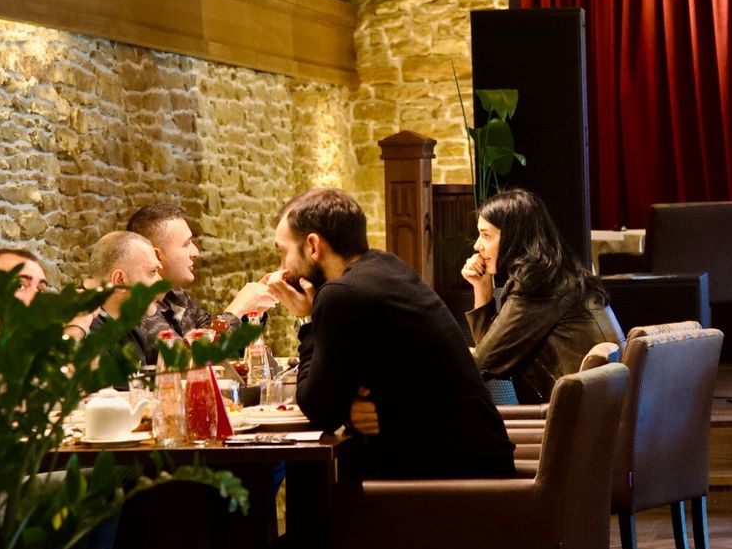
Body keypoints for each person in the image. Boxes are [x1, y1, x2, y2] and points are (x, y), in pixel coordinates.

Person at [266, 187, 515, 480]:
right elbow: (361, 385)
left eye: (283, 252)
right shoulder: (385, 266)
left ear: (313, 246)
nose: (283, 267)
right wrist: (347, 407)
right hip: (475, 461)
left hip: (456, 480)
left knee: (330, 484)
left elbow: (319, 410)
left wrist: (307, 321)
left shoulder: (341, 294)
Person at [461, 188, 621, 404]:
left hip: (566, 418)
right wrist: (482, 286)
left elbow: (484, 363)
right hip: (592, 413)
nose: (477, 245)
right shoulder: (558, 276)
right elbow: (493, 354)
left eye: (486, 235)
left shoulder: (538, 288)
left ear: (513, 237)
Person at [126, 203, 277, 343]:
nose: (196, 252)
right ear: (156, 256)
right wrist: (238, 308)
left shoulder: (177, 296)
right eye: (186, 244)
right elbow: (187, 359)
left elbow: (221, 345)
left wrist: (251, 313)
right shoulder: (135, 305)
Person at [70, 231, 165, 365]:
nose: (160, 280)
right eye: (152, 272)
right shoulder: (81, 327)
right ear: (119, 280)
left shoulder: (129, 326)